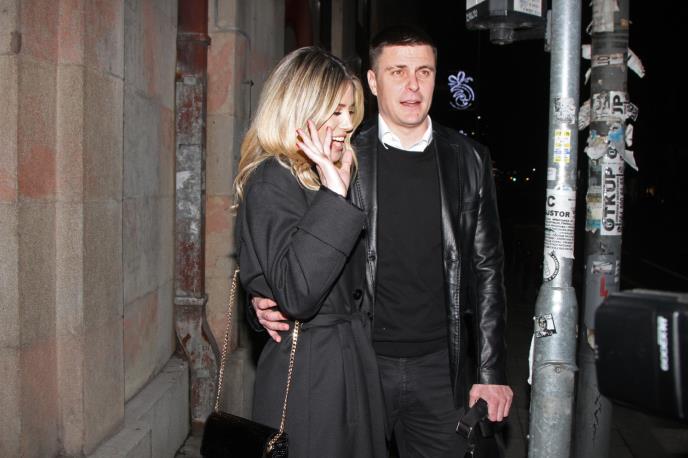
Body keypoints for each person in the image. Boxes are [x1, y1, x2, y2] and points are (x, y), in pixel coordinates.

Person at [253, 26, 513, 457]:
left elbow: (488, 268)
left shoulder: (468, 159)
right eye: (397, 72)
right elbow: (295, 247)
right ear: (373, 82)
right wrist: (263, 298)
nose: (413, 85)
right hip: (360, 358)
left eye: (424, 72)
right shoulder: (340, 152)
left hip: (439, 366)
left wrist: (491, 370)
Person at [234, 46, 386, 457]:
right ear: (300, 111)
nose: (347, 124)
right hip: (309, 379)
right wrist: (335, 195)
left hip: (348, 365)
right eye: (335, 111)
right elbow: (297, 293)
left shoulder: (328, 174)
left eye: (350, 111)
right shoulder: (272, 180)